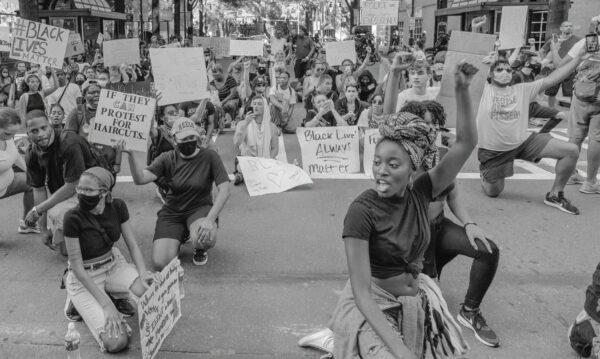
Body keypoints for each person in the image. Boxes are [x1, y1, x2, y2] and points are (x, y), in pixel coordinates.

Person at [329, 61, 477, 359]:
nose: (381, 171)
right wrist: (399, 352)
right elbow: (361, 293)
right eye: (377, 162)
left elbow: (466, 143)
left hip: (416, 298)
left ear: (414, 168)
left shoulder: (423, 190)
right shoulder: (361, 211)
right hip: (373, 304)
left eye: (393, 164)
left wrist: (462, 89)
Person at [403, 101, 501, 348]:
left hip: (439, 227)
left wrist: (469, 223)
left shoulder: (444, 155)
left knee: (487, 250)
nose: (430, 127)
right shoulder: (402, 156)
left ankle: (469, 311)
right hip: (415, 237)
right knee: (424, 303)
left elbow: (453, 194)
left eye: (434, 122)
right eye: (424, 122)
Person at [476, 46, 589, 215]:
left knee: (571, 150)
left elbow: (554, 78)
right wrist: (481, 62)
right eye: (499, 70)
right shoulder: (483, 91)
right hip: (494, 152)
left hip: (523, 142)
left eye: (508, 69)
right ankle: (486, 174)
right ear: (491, 74)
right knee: (494, 192)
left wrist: (578, 59)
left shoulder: (522, 89)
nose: (505, 72)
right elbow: (465, 71)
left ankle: (555, 195)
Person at [63, 166, 158, 353]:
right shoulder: (71, 217)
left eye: (89, 190)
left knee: (150, 291)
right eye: (79, 189)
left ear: (104, 192)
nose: (82, 193)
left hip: (113, 264)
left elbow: (132, 245)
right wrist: (107, 307)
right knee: (117, 343)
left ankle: (110, 297)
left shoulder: (118, 206)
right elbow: (77, 267)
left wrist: (143, 272)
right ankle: (82, 300)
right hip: (85, 276)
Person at [126, 117, 230, 269]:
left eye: (191, 137)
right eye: (183, 138)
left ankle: (199, 246)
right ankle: (181, 234)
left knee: (205, 238)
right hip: (172, 212)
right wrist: (130, 155)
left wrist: (210, 220)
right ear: (174, 140)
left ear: (197, 136)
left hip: (199, 209)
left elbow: (225, 190)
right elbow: (140, 179)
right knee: (161, 262)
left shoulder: (210, 156)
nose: (188, 141)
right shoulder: (167, 158)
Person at [23, 110, 104, 254]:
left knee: (57, 213)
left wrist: (38, 210)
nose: (41, 134)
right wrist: (43, 230)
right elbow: (39, 189)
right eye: (34, 131)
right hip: (69, 190)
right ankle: (81, 224)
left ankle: (100, 220)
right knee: (66, 251)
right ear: (27, 134)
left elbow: (73, 185)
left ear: (50, 125)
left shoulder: (68, 142)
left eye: (44, 128)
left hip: (94, 185)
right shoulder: (31, 153)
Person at [558, 17, 600, 194]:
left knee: (575, 136)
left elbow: (562, 64)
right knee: (596, 138)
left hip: (580, 94)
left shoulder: (585, 42)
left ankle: (570, 175)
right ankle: (590, 183)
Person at [65, 83, 122, 176]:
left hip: (108, 163)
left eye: (99, 92)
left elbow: (119, 139)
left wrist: (117, 163)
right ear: (84, 95)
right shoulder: (77, 112)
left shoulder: (112, 111)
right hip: (85, 162)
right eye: (92, 92)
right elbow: (69, 138)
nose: (96, 95)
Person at [0, 108, 38, 234]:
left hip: (8, 183)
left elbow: (15, 157)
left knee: (32, 183)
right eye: (8, 133)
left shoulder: (7, 138)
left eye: (14, 133)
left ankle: (28, 224)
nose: (11, 137)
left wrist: (30, 172)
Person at [539, 21, 581, 108]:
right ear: (561, 28)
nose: (569, 27)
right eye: (566, 26)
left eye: (570, 26)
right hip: (555, 69)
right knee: (551, 92)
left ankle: (571, 113)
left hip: (570, 69)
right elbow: (542, 51)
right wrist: (547, 64)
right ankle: (552, 110)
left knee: (572, 93)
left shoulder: (578, 40)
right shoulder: (554, 40)